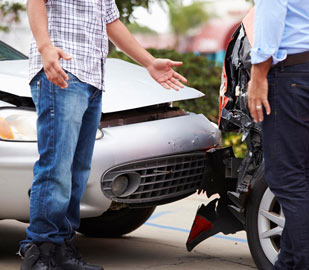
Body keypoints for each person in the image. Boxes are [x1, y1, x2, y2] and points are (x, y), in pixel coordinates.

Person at [20, 0, 187, 269]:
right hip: (61, 71)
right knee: (56, 168)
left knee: (77, 171)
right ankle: (41, 251)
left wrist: (149, 62)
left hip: (92, 79)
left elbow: (111, 22)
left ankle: (62, 248)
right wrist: (45, 47)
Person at [247, 1, 309, 269]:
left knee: (286, 178)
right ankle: (287, 264)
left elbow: (271, 10)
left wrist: (258, 73)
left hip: (292, 74)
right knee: (298, 174)